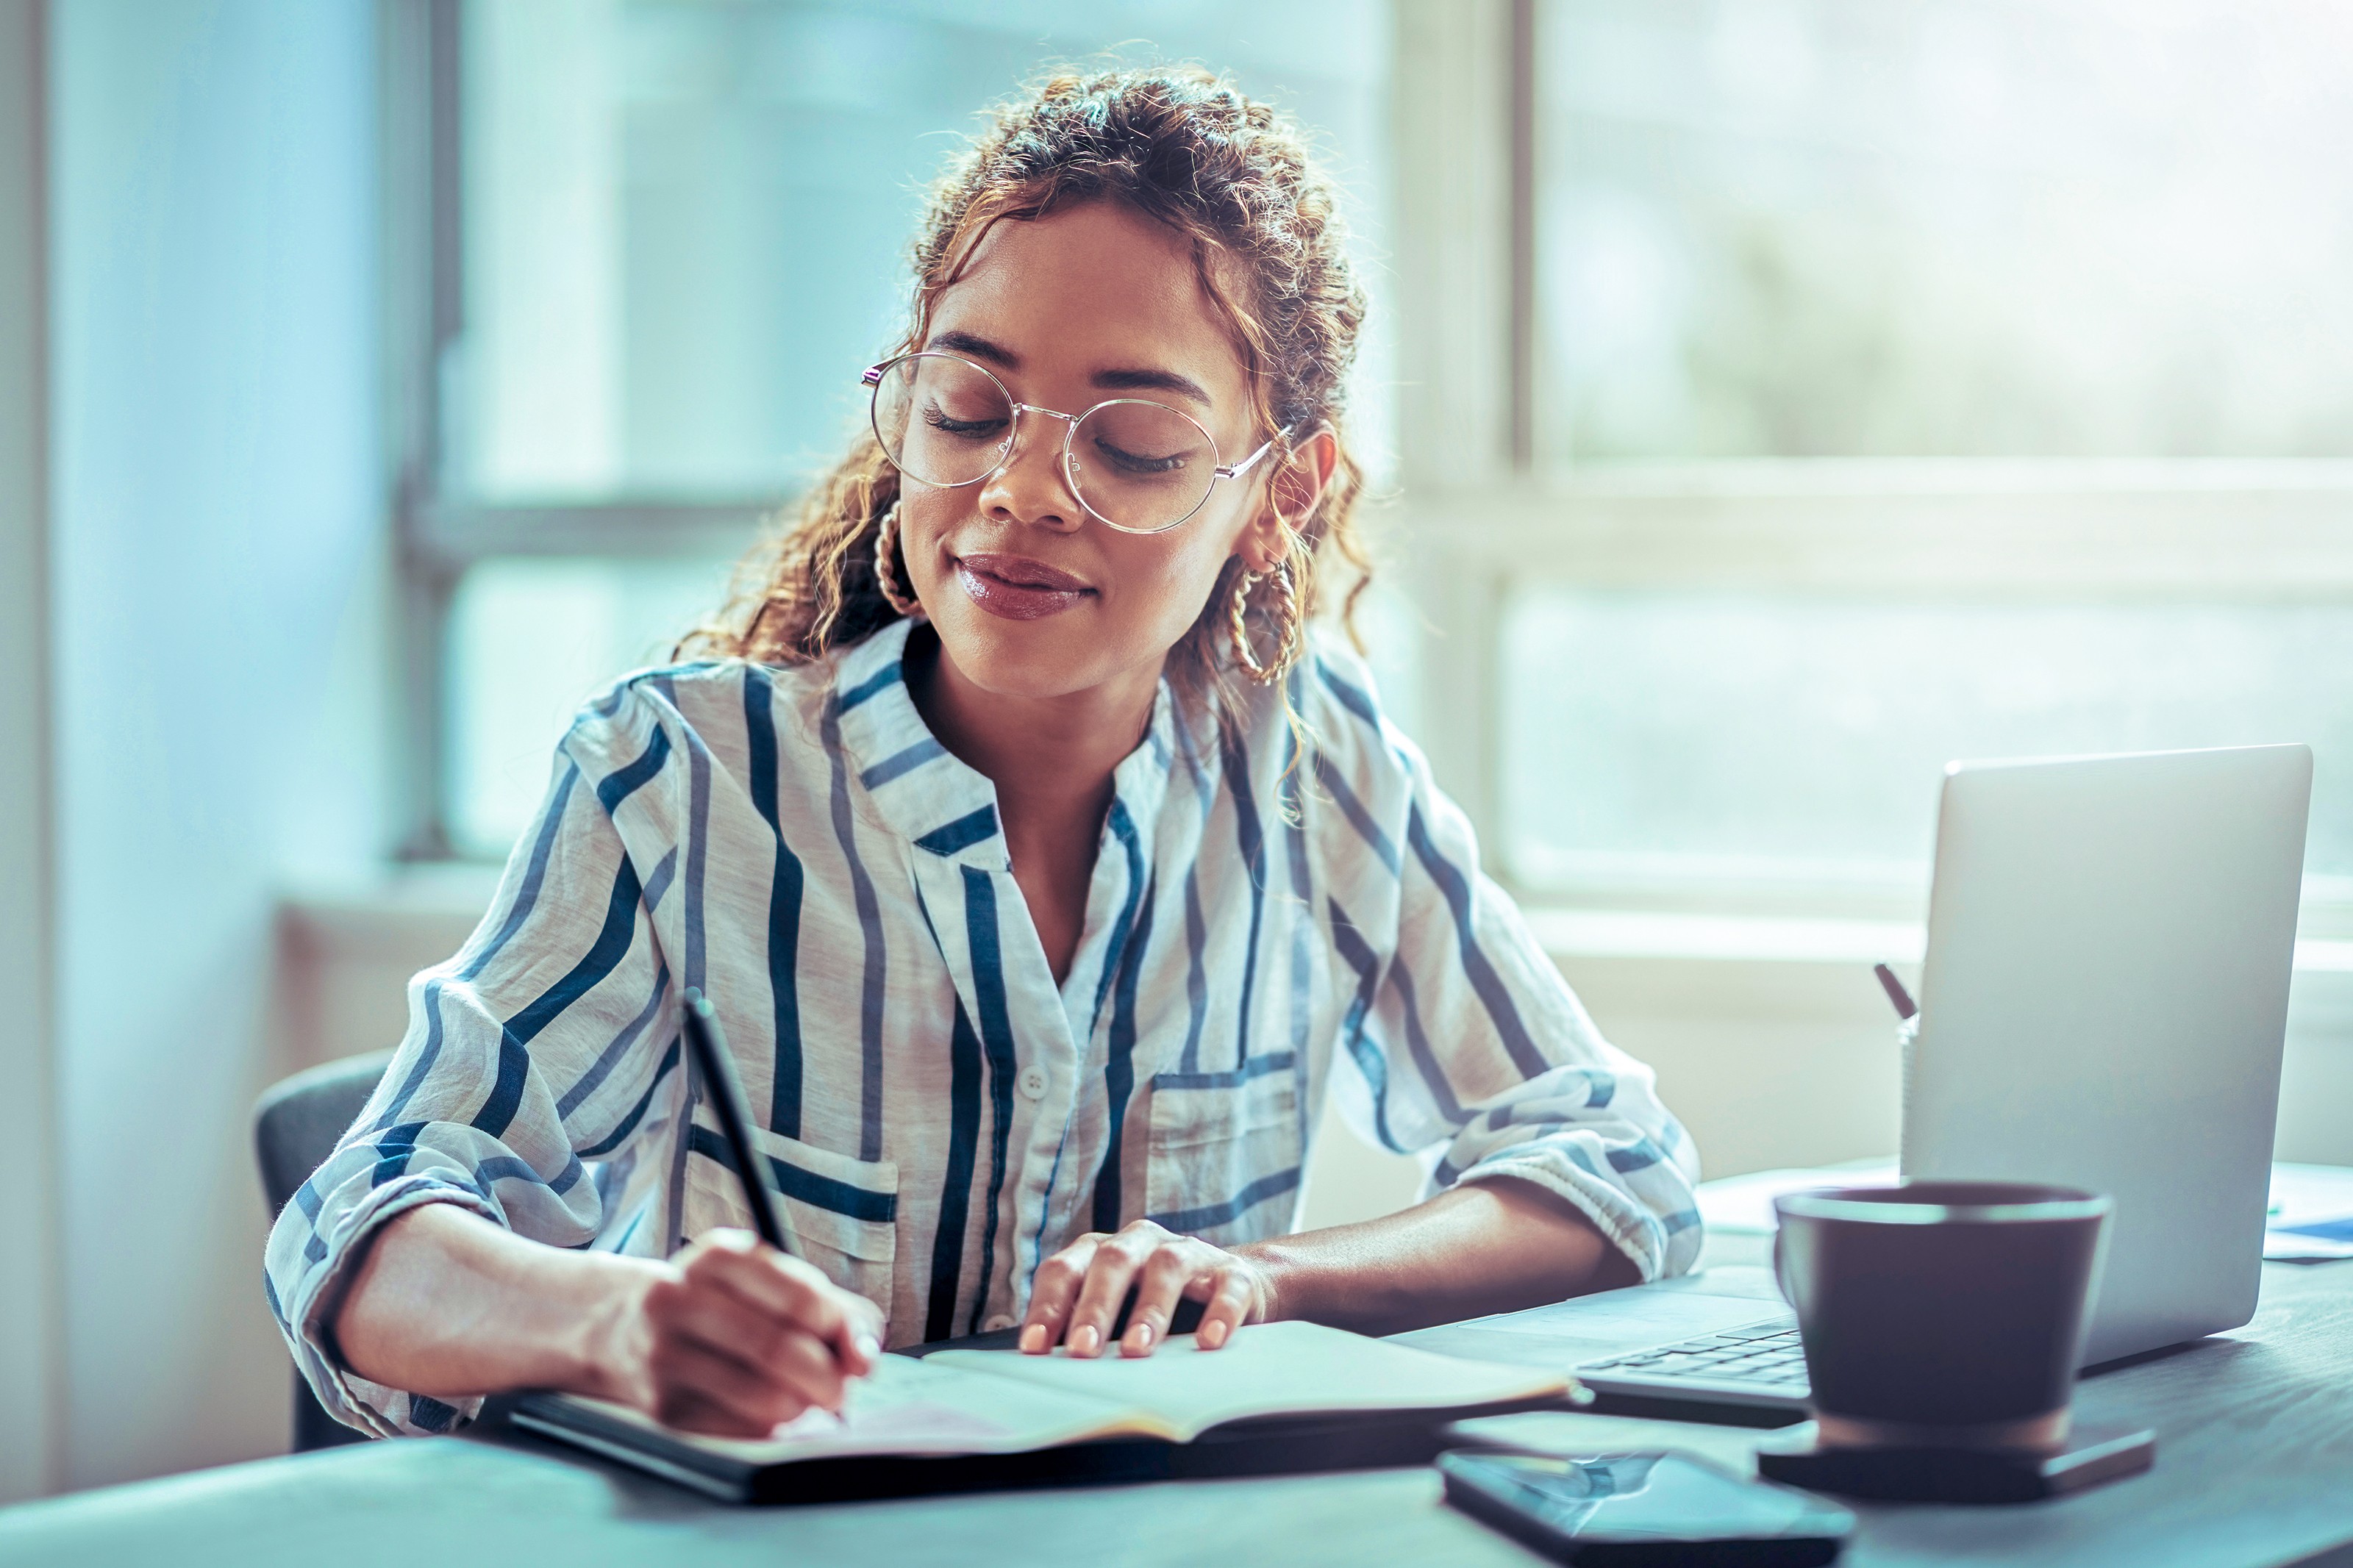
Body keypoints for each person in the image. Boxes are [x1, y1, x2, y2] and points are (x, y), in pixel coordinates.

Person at [263, 65, 1702, 1442]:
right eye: (966, 408)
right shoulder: (680, 778)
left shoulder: (1308, 761)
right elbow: (361, 1229)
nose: (1016, 488)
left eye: (1132, 442)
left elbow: (1612, 1163)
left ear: (1280, 493)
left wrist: (1271, 1276)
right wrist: (616, 1321)